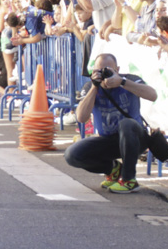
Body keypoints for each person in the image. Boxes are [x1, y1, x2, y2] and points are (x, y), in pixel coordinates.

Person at [64, 53, 158, 194]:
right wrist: (94, 88)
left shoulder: (130, 79)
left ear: (117, 69)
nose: (104, 75)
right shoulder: (90, 86)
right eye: (99, 71)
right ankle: (113, 169)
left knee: (126, 124)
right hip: (109, 140)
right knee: (72, 154)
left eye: (107, 70)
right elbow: (81, 118)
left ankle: (128, 179)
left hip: (135, 138)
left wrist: (122, 82)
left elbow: (152, 95)